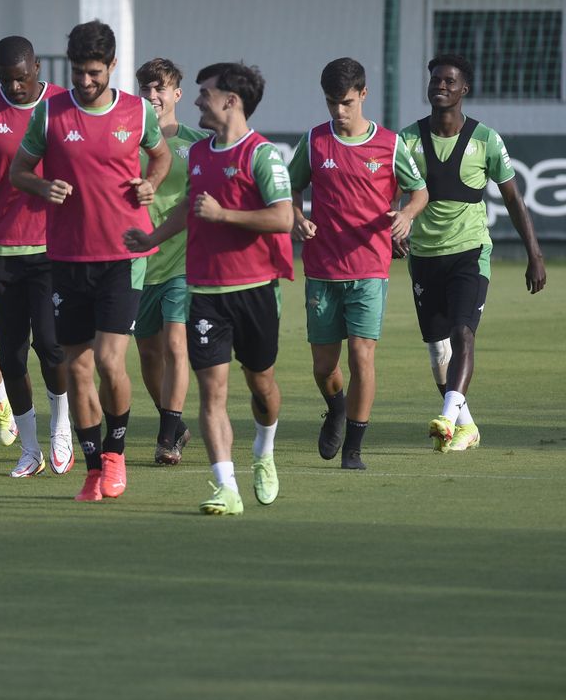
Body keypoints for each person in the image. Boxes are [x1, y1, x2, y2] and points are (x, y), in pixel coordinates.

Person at [9, 21, 169, 501]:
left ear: (113, 65)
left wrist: (151, 183)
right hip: (66, 257)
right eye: (78, 71)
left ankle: (116, 455)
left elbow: (160, 157)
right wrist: (43, 186)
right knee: (76, 369)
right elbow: (19, 171)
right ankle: (94, 467)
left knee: (108, 360)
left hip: (122, 256)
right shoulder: (50, 113)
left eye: (94, 72)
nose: (84, 81)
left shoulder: (137, 111)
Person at [125, 62, 293, 516]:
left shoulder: (262, 154)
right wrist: (151, 239)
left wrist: (224, 216)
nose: (198, 100)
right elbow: (188, 206)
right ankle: (226, 486)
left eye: (205, 93)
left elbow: (283, 218)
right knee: (211, 392)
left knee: (261, 385)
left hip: (255, 289)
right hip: (204, 290)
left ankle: (264, 450)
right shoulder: (199, 153)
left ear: (230, 101)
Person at [400, 54, 546, 453]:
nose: (440, 85)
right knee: (437, 347)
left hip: (470, 251)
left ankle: (447, 418)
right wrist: (395, 228)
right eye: (435, 79)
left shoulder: (486, 139)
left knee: (462, 332)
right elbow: (389, 193)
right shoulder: (407, 140)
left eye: (449, 81)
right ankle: (466, 426)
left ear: (464, 89)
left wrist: (534, 254)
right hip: (424, 255)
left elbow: (514, 200)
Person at [289, 58, 427, 469]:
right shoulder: (314, 141)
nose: (339, 110)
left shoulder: (390, 144)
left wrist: (406, 215)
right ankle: (336, 406)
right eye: (331, 102)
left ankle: (353, 449)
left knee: (361, 357)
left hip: (369, 267)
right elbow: (291, 187)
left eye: (346, 102)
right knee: (323, 367)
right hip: (322, 269)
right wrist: (297, 217)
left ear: (363, 94)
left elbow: (419, 191)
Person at [0, 35, 72, 477]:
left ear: (37, 68)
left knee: (52, 346)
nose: (15, 87)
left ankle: (62, 429)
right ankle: (30, 449)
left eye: (21, 78)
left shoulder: (62, 105)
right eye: (6, 80)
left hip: (52, 247)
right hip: (0, 250)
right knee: (11, 356)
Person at [133, 58, 211, 466]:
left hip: (183, 262)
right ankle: (174, 423)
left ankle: (166, 436)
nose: (152, 95)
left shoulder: (198, 143)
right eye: (146, 88)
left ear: (176, 94)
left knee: (176, 343)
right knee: (148, 355)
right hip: (137, 263)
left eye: (160, 88)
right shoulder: (125, 139)